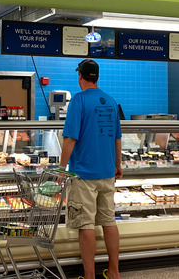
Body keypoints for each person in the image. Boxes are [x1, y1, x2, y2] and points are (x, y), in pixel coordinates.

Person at [60, 59, 122, 279]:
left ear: (81, 76)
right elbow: (117, 138)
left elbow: (69, 139)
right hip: (107, 173)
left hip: (84, 174)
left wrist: (61, 169)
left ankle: (89, 276)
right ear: (97, 77)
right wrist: (118, 164)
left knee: (85, 225)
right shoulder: (111, 101)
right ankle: (114, 272)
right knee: (109, 222)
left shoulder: (78, 100)